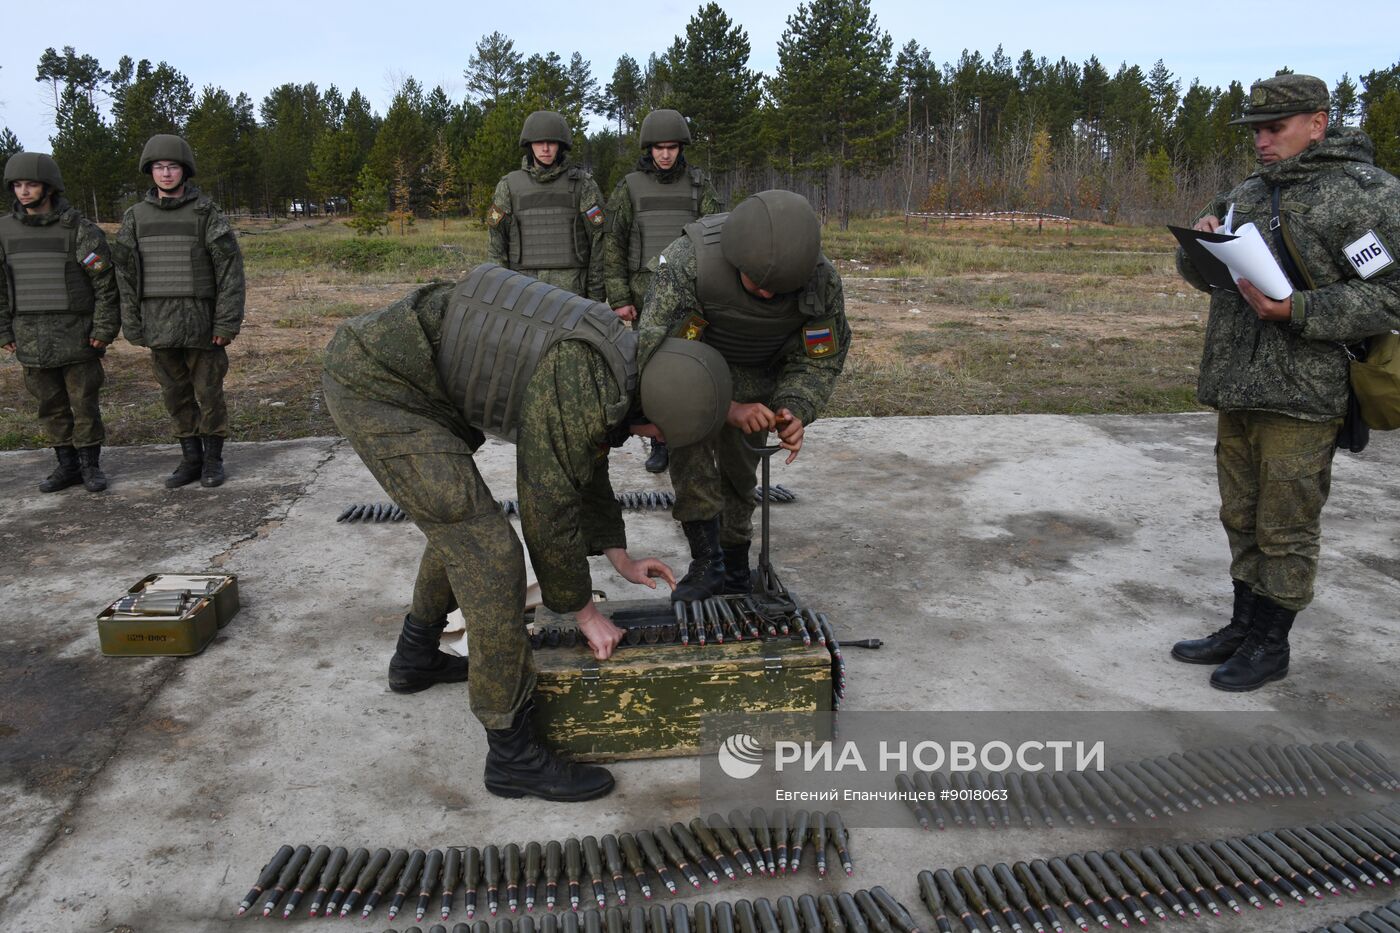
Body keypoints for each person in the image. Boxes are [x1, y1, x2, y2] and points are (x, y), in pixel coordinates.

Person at [322, 263, 731, 801]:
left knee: (461, 528)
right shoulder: (584, 377)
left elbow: (584, 455)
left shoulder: (626, 363)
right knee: (489, 552)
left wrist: (618, 554)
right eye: (658, 434)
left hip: (410, 376)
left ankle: (416, 656)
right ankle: (512, 755)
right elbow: (549, 499)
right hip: (379, 384)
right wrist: (582, 610)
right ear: (656, 415)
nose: (649, 440)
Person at [1170, 74, 1400, 691]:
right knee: (1240, 515)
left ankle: (1271, 644)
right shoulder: (1248, 191)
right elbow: (1209, 276)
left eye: (1275, 129)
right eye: (1256, 131)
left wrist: (1296, 311)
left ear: (1318, 123)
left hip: (1306, 392)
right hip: (1237, 382)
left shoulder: (1366, 196)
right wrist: (1201, 244)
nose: (1263, 142)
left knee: (1286, 524)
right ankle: (1242, 627)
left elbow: (1390, 295)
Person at [637, 189, 851, 602]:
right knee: (690, 449)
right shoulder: (688, 262)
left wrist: (795, 408)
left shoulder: (820, 282)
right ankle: (705, 561)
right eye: (758, 284)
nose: (769, 295)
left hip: (763, 375)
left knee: (740, 469)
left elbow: (819, 358)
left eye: (780, 289)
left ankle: (735, 562)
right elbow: (655, 350)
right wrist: (725, 409)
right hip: (691, 369)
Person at [113, 134, 245, 489]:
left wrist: (226, 322)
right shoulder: (135, 217)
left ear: (184, 171)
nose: (166, 173)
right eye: (159, 167)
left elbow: (230, 272)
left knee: (209, 393)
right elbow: (125, 275)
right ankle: (190, 459)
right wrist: (133, 322)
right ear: (150, 171)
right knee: (175, 395)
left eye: (172, 166)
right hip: (158, 324)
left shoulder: (206, 213)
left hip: (202, 325)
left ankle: (213, 461)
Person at [603, 108, 723, 473]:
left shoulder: (701, 187)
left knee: (693, 366)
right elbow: (613, 245)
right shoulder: (629, 188)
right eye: (659, 148)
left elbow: (717, 238)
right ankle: (659, 442)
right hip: (645, 299)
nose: (666, 154)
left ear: (681, 148)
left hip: (692, 299)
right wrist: (621, 298)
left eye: (672, 147)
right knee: (652, 373)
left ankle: (693, 437)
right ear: (649, 149)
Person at [0, 152, 120, 493]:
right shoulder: (4, 231)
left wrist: (102, 330)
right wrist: (3, 329)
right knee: (49, 406)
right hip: (30, 338)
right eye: (18, 185)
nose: (24, 191)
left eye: (32, 184)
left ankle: (90, 466)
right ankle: (66, 466)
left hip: (77, 336)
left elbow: (105, 286)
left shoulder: (80, 231)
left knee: (84, 403)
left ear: (49, 187)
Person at [487, 110, 605, 302]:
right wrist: (501, 294)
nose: (546, 149)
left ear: (561, 145)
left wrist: (595, 296)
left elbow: (599, 242)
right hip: (523, 293)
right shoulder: (509, 186)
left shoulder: (583, 185)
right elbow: (496, 245)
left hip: (573, 293)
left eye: (551, 143)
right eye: (539, 143)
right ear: (529, 145)